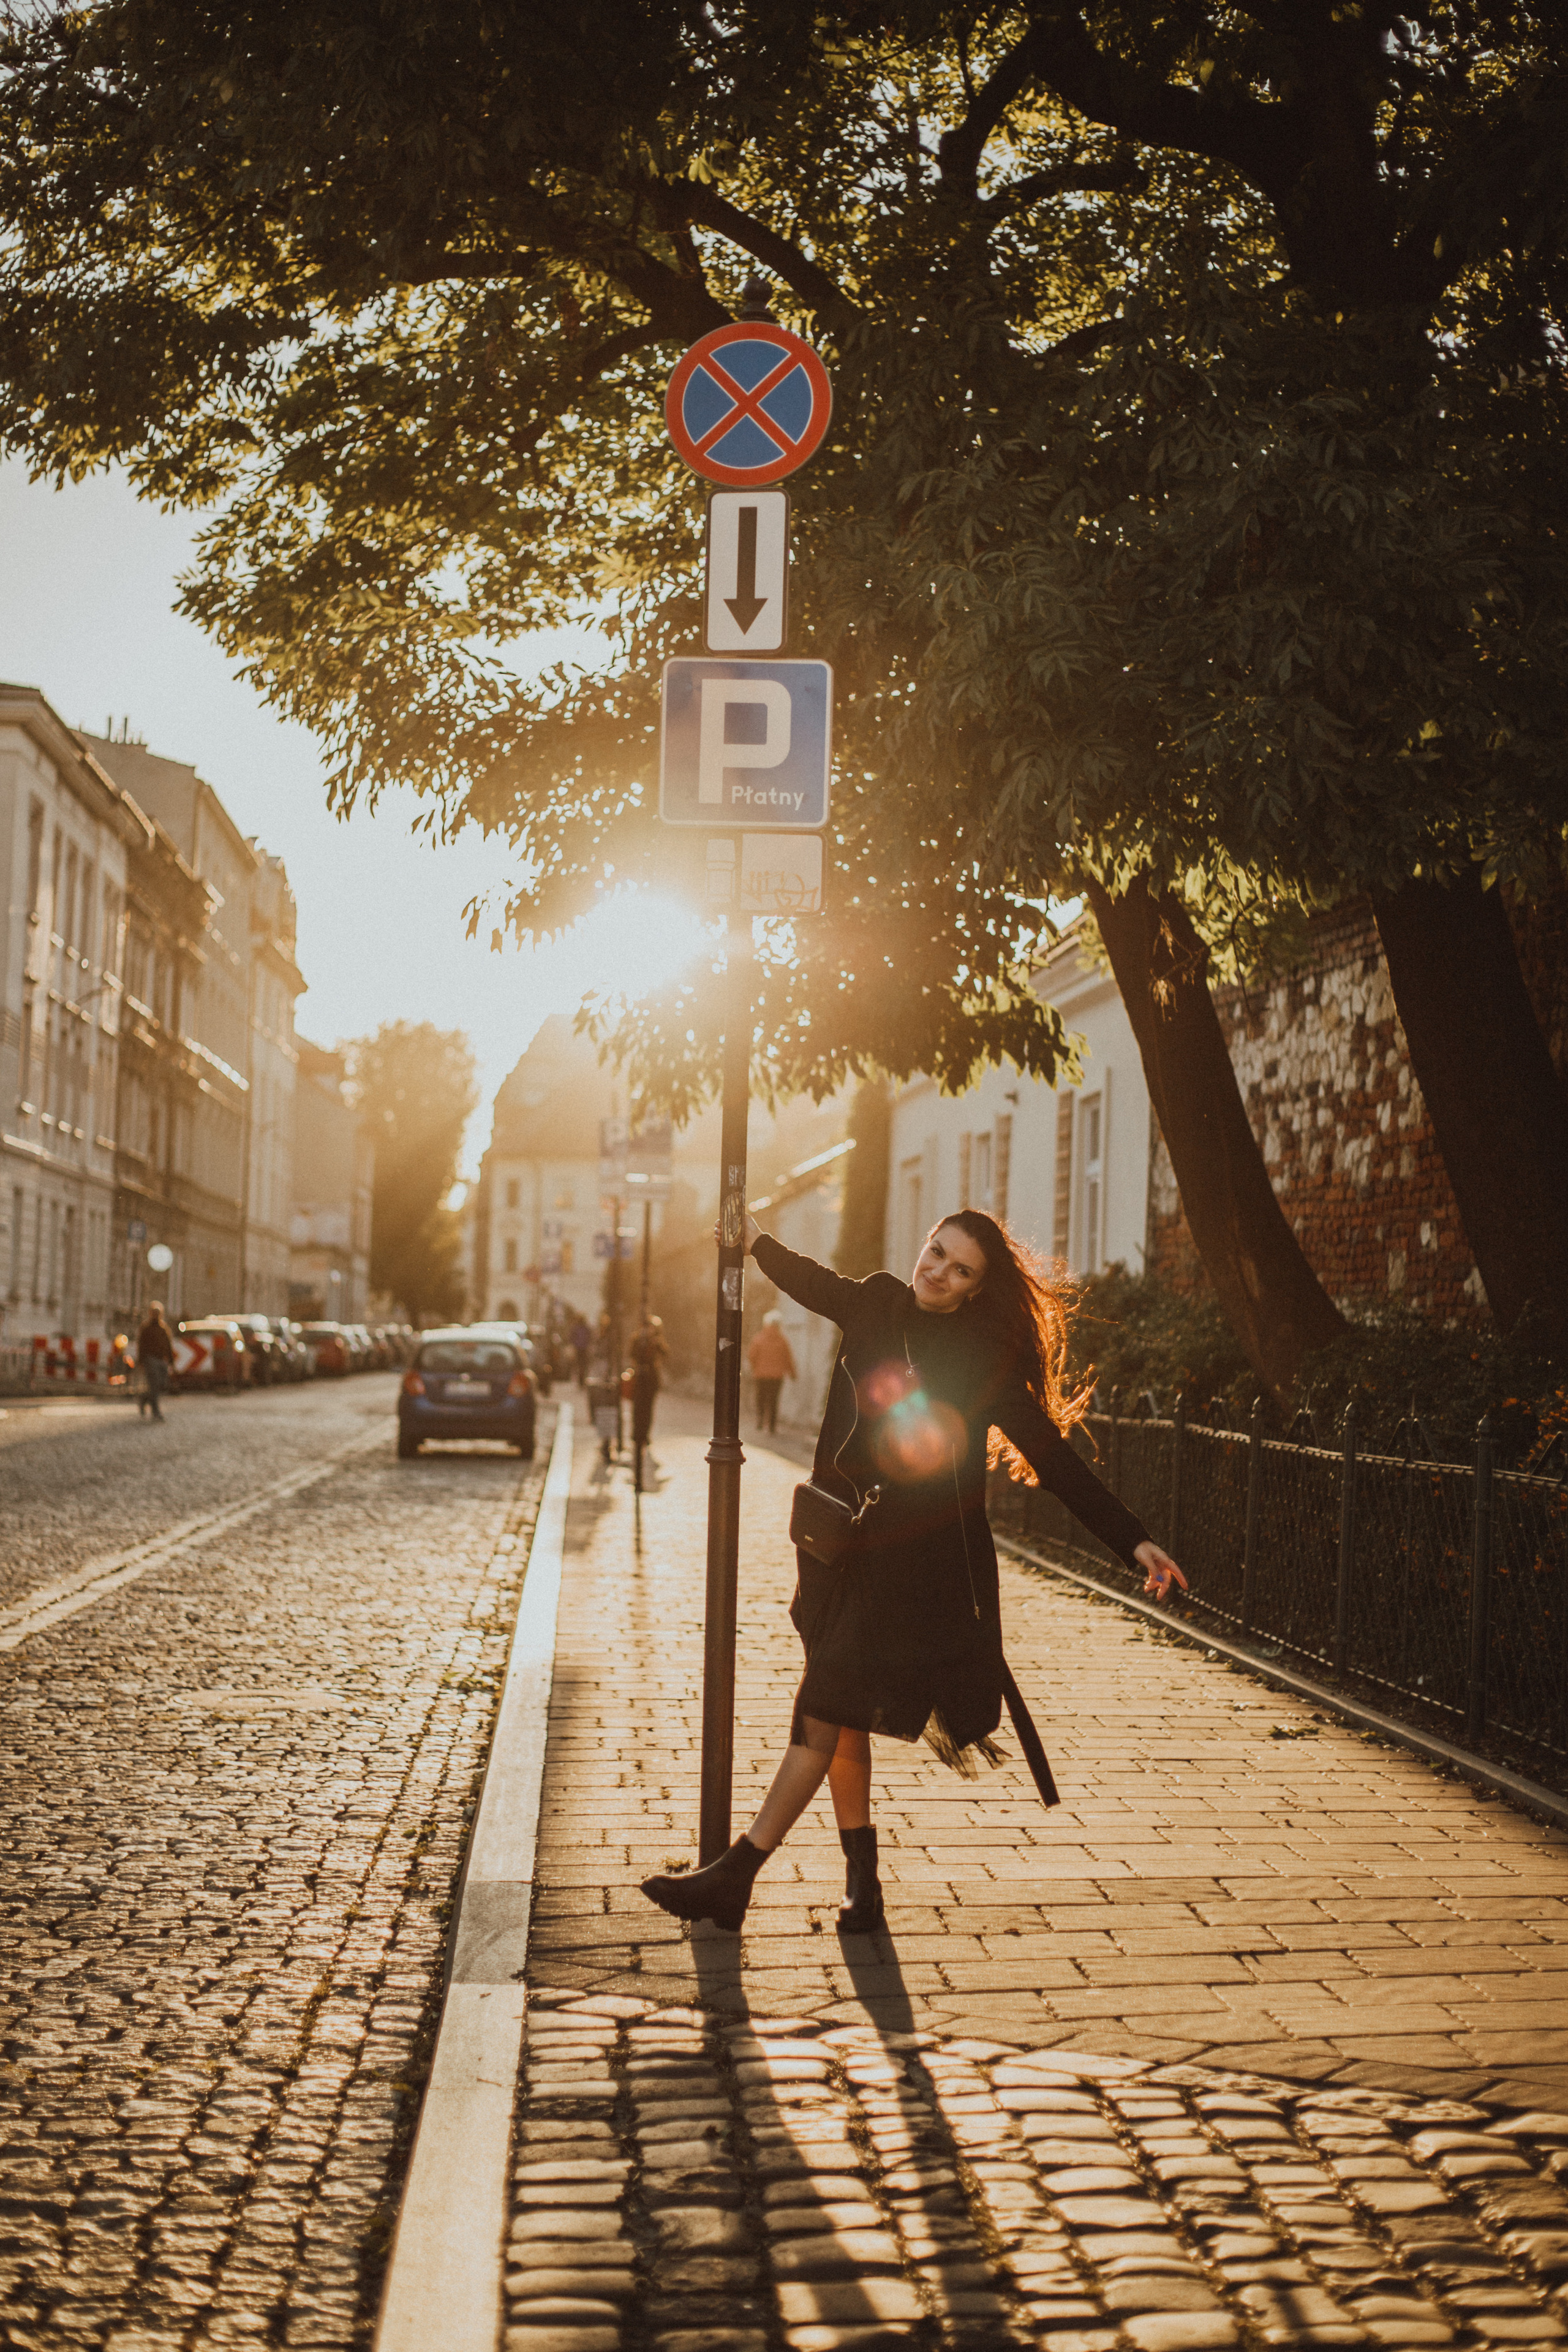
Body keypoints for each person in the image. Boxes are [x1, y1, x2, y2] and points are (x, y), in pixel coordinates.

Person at [641, 1208, 1187, 1937]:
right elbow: (810, 1281)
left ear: (974, 1291)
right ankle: (861, 1893)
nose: (938, 1272)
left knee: (822, 1708)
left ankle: (736, 1874)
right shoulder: (874, 1301)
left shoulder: (980, 1359)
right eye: (936, 1253)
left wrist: (1134, 1542)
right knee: (840, 1716)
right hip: (835, 1549)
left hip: (912, 1573)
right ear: (922, 1245)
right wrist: (757, 1242)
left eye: (960, 1270)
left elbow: (1054, 1461)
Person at [747, 1311, 797, 1433]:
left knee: (761, 1399)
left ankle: (760, 1420)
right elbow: (788, 1358)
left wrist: (754, 1369)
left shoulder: (758, 1339)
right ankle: (772, 1426)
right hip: (777, 1376)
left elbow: (752, 1356)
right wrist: (792, 1373)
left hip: (761, 1375)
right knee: (774, 1400)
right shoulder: (782, 1341)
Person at [628, 1314, 669, 1452]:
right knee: (637, 1407)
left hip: (651, 1379)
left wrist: (657, 1343)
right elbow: (632, 1355)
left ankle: (645, 1435)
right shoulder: (636, 1339)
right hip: (639, 1377)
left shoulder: (656, 1341)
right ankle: (636, 1433)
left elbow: (665, 1354)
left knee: (648, 1408)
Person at [135, 1301, 175, 1422]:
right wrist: (141, 1361)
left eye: (158, 1313)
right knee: (154, 1385)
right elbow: (141, 1345)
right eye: (154, 1313)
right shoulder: (146, 1328)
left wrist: (171, 1362)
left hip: (161, 1360)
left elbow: (168, 1345)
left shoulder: (164, 1328)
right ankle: (156, 1412)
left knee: (162, 1384)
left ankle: (144, 1399)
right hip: (150, 1360)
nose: (156, 1315)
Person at [570, 1315, 592, 1385]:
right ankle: (581, 1380)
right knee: (582, 1365)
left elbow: (572, 1338)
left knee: (581, 1365)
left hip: (581, 1349)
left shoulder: (579, 1328)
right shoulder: (583, 1328)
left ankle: (581, 1379)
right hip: (581, 1349)